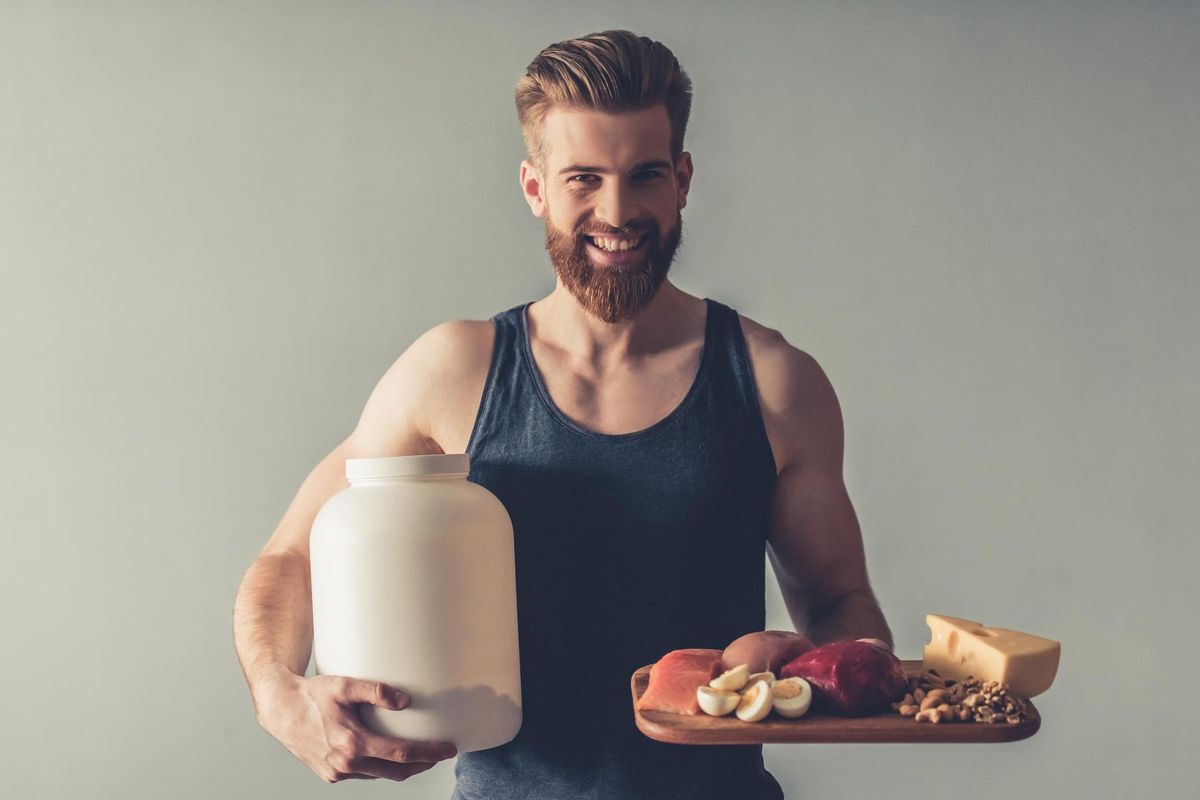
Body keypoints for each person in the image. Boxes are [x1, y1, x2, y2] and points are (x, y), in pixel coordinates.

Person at [233, 29, 893, 799]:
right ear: (535, 187)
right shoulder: (455, 373)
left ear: (682, 180)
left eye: (645, 175)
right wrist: (279, 696)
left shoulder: (775, 383)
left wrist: (836, 668)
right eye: (584, 179)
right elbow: (291, 557)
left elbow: (839, 598)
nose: (617, 211)